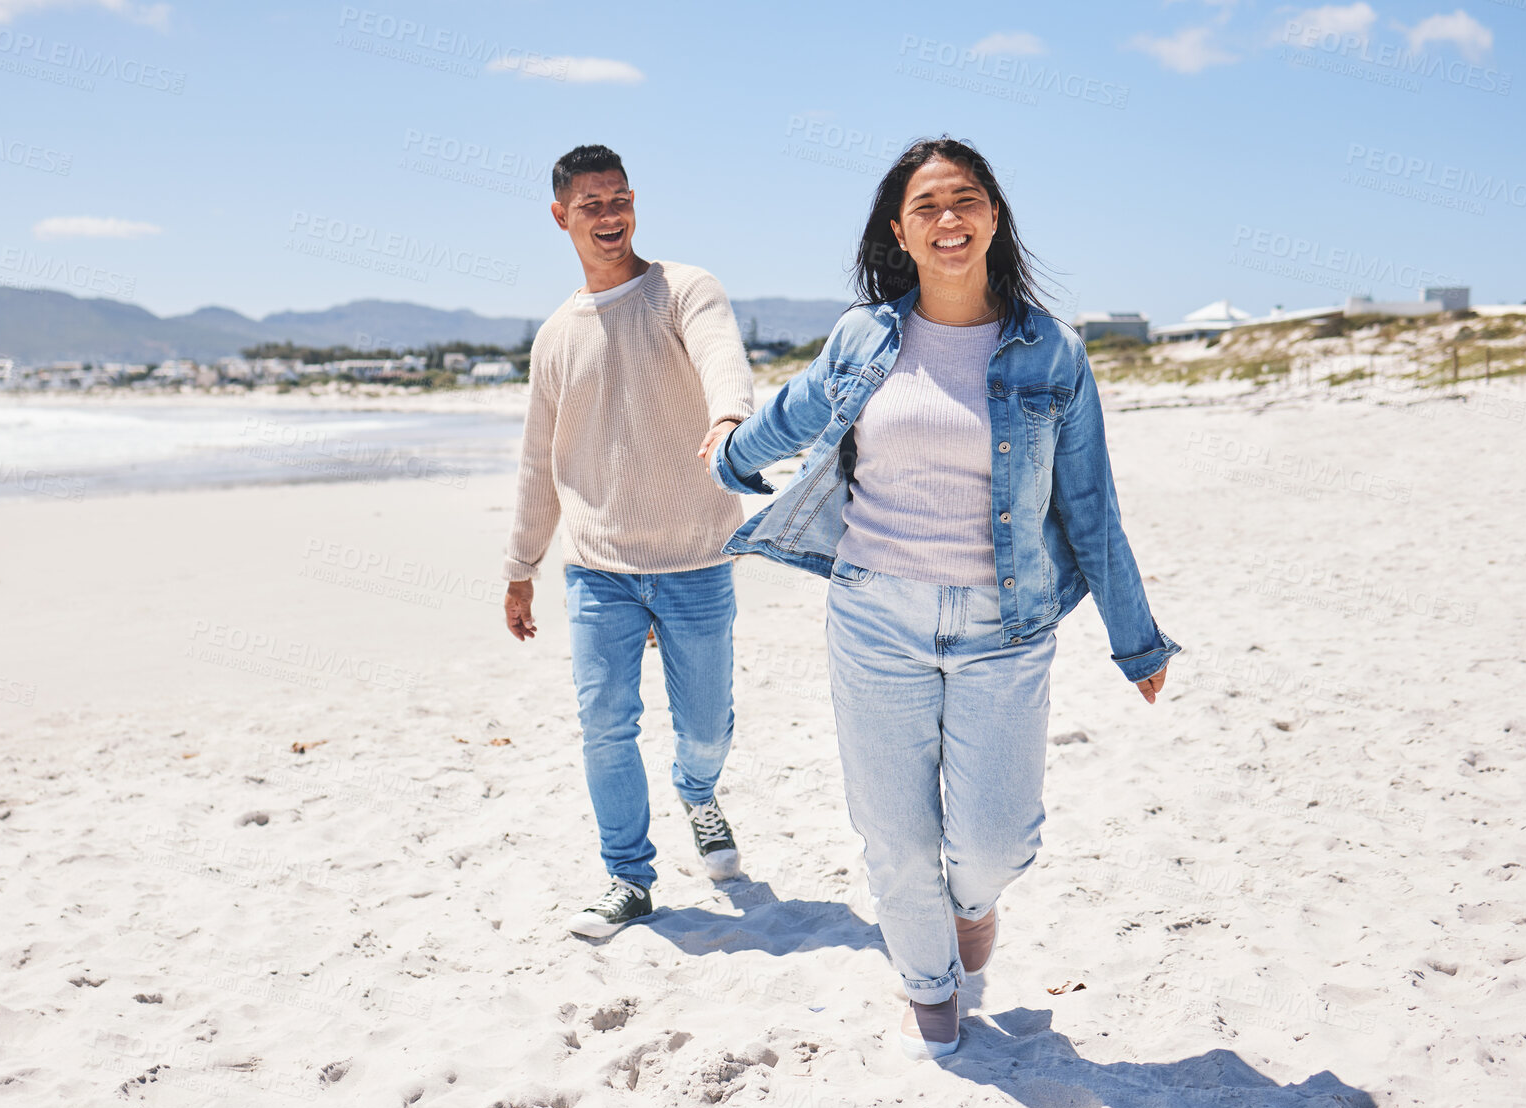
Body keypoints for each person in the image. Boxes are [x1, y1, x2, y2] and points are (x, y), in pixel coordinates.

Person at [705, 138, 1179, 1060]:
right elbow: (794, 413)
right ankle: (929, 984)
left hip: (1004, 627)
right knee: (892, 834)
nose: (947, 219)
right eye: (926, 207)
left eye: (964, 200)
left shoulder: (1052, 354)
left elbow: (1090, 505)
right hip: (872, 617)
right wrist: (727, 454)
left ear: (994, 216)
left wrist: (1138, 643)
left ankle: (972, 907)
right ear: (900, 230)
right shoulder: (864, 335)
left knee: (995, 840)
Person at [504, 144, 753, 938]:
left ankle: (697, 789)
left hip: (695, 556)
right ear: (560, 216)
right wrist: (520, 566)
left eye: (619, 200)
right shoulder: (554, 337)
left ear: (635, 203)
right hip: (600, 570)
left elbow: (723, 357)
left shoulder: (683, 290)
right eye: (590, 205)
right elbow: (538, 463)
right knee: (605, 725)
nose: (608, 217)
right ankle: (627, 877)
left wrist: (728, 417)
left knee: (706, 727)